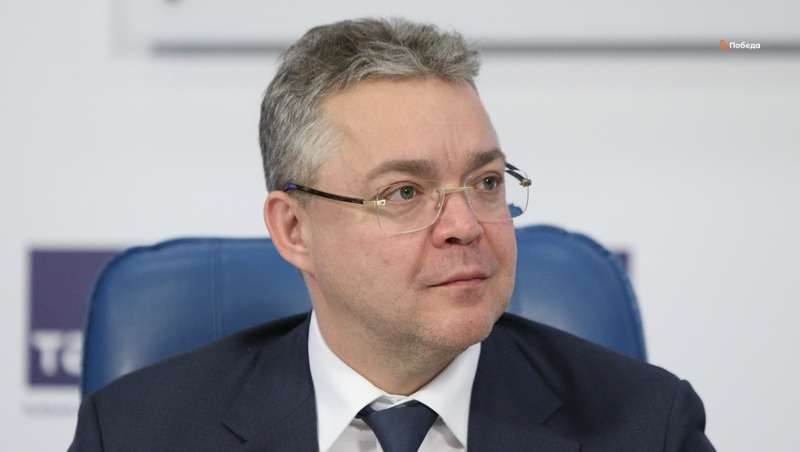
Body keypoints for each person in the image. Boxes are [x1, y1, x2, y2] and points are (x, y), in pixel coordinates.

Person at [68, 18, 714, 451]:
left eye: (486, 182)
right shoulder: (135, 433)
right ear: (294, 230)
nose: (465, 226)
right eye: (404, 193)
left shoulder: (647, 427)